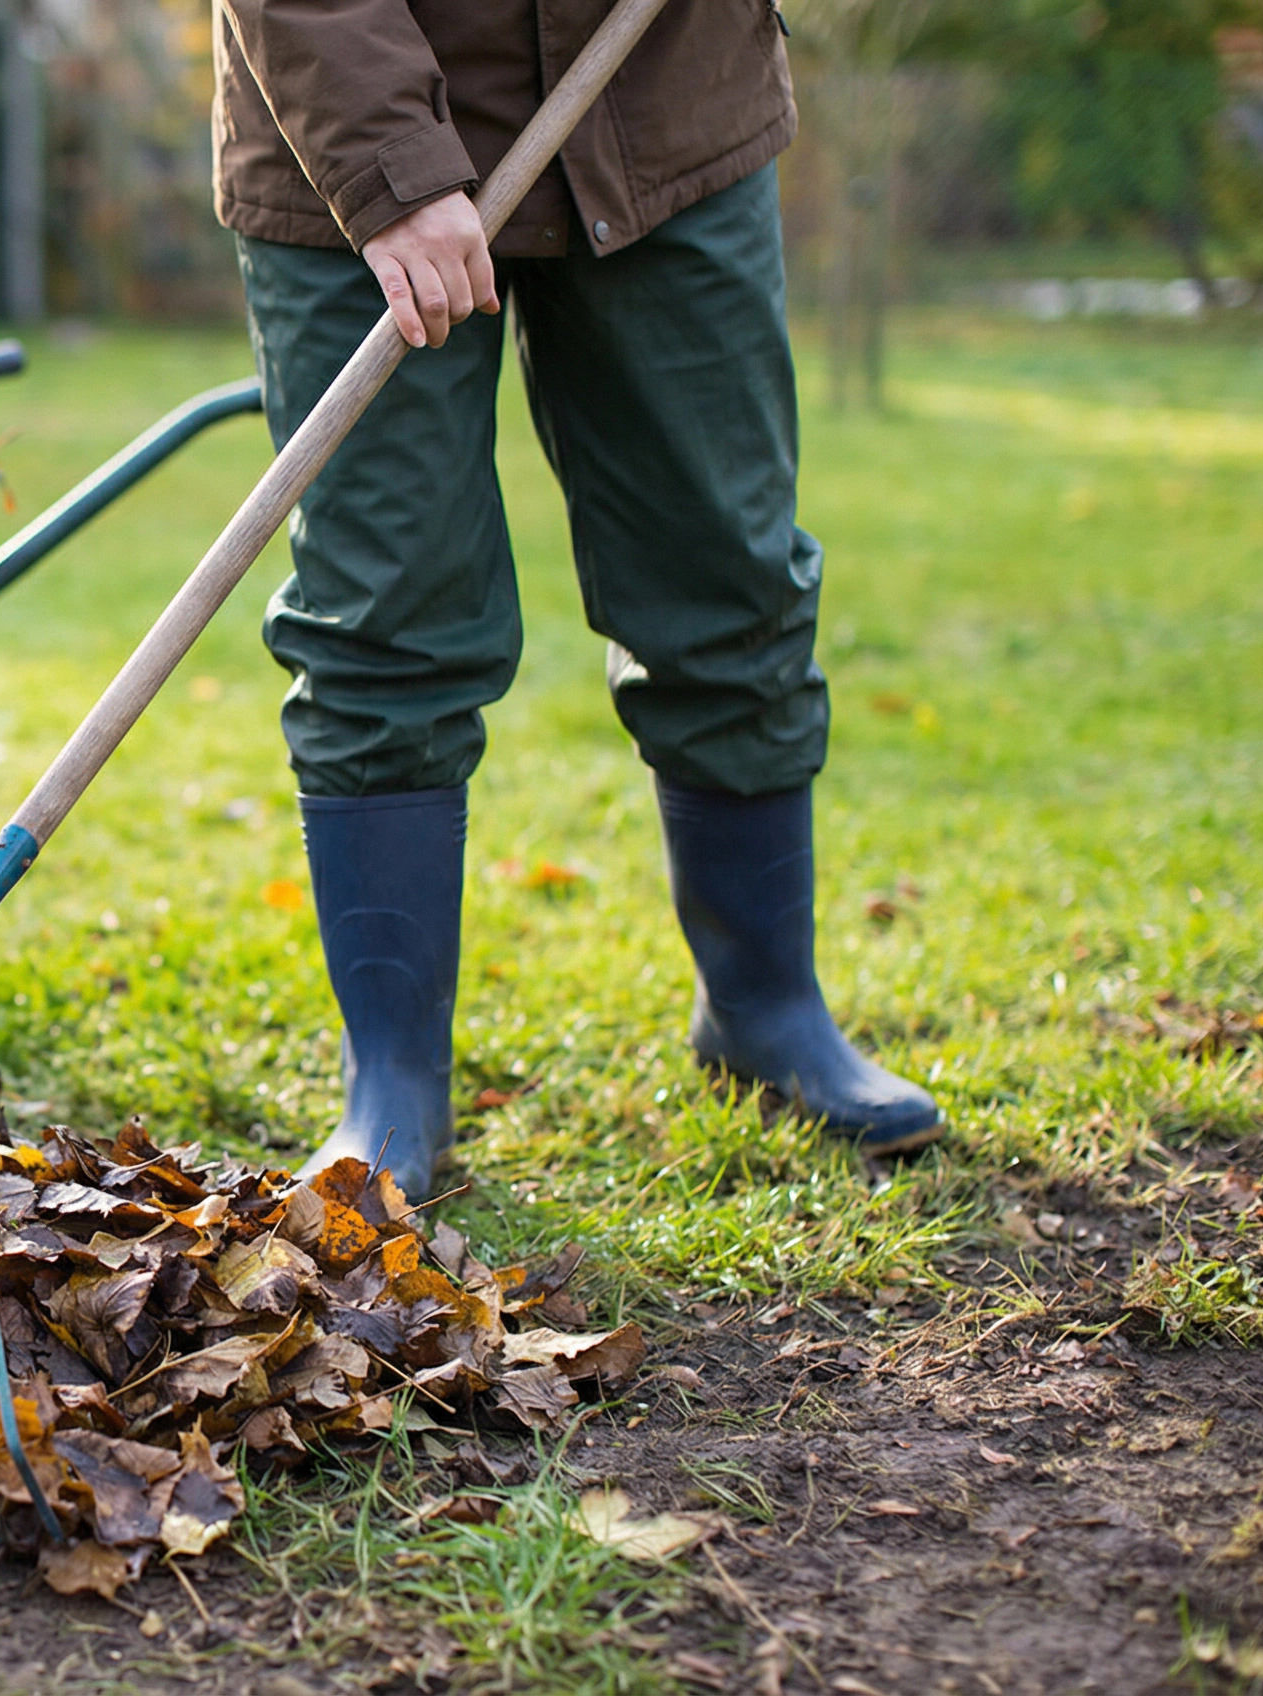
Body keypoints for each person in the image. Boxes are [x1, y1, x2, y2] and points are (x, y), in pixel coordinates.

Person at [214, 0, 945, 1194]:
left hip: (664, 113)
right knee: (380, 614)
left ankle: (765, 1014)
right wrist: (390, 168)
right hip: (344, 130)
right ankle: (390, 1080)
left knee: (724, 575)